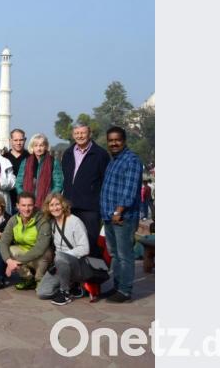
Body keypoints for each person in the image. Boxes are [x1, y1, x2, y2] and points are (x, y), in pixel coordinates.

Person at [100, 126, 143, 303]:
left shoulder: (131, 160)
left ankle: (125, 290)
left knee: (125, 255)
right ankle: (117, 286)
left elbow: (129, 191)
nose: (114, 143)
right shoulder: (114, 160)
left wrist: (119, 211)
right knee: (115, 254)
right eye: (110, 140)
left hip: (122, 217)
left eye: (117, 140)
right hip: (109, 215)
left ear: (124, 141)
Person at [61, 123, 110, 258]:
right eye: (77, 133)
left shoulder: (100, 154)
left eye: (83, 133)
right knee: (71, 242)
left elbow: (105, 180)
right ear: (73, 135)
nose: (80, 136)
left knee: (90, 242)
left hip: (90, 207)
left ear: (89, 134)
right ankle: (75, 271)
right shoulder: (68, 153)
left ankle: (91, 271)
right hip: (70, 206)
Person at [36, 193, 90, 305]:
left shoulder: (75, 221)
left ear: (63, 205)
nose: (55, 208)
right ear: (48, 208)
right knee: (42, 292)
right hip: (60, 265)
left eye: (57, 204)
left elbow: (85, 248)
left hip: (78, 265)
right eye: (51, 205)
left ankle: (65, 293)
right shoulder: (52, 223)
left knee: (60, 256)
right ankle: (73, 286)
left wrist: (63, 256)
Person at [0, 192, 54, 290]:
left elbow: (40, 248)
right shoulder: (13, 220)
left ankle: (40, 279)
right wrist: (9, 261)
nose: (27, 209)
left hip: (41, 256)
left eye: (30, 205)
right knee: (10, 250)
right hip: (25, 254)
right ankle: (28, 279)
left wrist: (16, 262)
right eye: (23, 205)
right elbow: (3, 242)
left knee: (46, 252)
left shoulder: (42, 220)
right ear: (17, 206)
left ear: (34, 205)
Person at [15, 133, 64, 209]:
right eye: (36, 145)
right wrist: (24, 198)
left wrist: (49, 198)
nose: (38, 148)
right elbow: (18, 183)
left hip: (47, 203)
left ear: (46, 146)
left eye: (41, 145)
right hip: (28, 204)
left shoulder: (53, 162)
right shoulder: (25, 162)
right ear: (32, 147)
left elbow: (58, 184)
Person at [4, 129, 29, 212]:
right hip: (8, 199)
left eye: (21, 140)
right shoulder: (3, 158)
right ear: (10, 140)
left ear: (25, 140)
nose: (18, 143)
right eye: (15, 140)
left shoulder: (30, 158)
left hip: (26, 201)